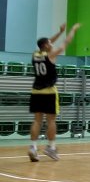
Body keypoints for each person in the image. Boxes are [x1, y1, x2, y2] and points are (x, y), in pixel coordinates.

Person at [28, 23, 80, 162]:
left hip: (36, 91)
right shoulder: (51, 54)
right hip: (49, 92)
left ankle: (32, 147)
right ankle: (51, 148)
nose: (52, 43)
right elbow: (65, 43)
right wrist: (72, 31)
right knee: (51, 120)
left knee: (37, 120)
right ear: (46, 46)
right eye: (50, 43)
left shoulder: (35, 54)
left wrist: (60, 31)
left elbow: (46, 42)